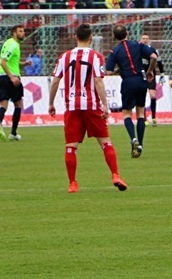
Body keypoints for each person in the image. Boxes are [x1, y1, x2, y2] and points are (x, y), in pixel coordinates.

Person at [48, 23, 127, 193]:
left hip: (72, 105)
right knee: (105, 143)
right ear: (91, 38)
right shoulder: (96, 56)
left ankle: (73, 183)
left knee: (71, 146)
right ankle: (115, 175)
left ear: (75, 37)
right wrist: (105, 105)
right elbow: (98, 81)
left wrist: (51, 103)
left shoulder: (64, 57)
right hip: (91, 105)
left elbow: (55, 81)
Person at [106, 25, 158, 158]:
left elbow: (109, 71)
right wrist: (150, 70)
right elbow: (153, 56)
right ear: (127, 33)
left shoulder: (115, 51)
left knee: (127, 114)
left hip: (128, 82)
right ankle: (140, 144)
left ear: (114, 36)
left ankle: (133, 139)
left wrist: (120, 69)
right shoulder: (138, 45)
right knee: (141, 113)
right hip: (141, 80)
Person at [0, 25, 33, 141]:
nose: (23, 33)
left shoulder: (8, 43)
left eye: (24, 31)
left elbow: (13, 62)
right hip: (11, 77)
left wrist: (25, 64)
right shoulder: (13, 45)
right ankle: (13, 133)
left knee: (3, 105)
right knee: (18, 105)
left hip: (0, 77)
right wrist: (11, 77)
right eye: (20, 31)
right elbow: (3, 61)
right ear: (14, 33)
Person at [140, 35, 165, 126]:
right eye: (143, 39)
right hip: (140, 76)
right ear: (140, 40)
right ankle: (144, 119)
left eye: (147, 39)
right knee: (141, 97)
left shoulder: (153, 50)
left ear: (149, 40)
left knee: (153, 95)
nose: (145, 40)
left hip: (150, 75)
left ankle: (153, 118)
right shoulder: (137, 50)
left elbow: (159, 63)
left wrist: (162, 74)